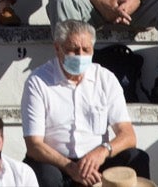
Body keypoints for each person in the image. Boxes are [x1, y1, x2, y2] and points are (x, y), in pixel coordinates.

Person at [20, 20, 150, 187]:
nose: (81, 55)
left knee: (136, 158)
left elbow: (128, 136)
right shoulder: (38, 81)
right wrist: (71, 167)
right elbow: (34, 146)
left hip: (97, 160)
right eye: (73, 50)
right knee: (44, 175)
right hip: (56, 162)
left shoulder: (105, 78)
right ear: (57, 48)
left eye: (86, 50)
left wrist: (103, 151)